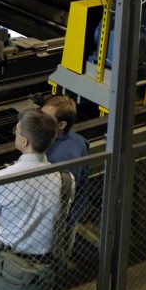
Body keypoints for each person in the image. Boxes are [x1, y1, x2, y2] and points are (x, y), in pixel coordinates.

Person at [0, 109, 74, 290]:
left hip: (7, 269)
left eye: (16, 130)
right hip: (48, 269)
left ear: (23, 141)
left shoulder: (2, 177)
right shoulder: (65, 179)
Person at [41, 95, 89, 239]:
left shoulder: (59, 157)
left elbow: (57, 199)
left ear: (61, 125)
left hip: (58, 226)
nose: (39, 121)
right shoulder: (78, 140)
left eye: (46, 118)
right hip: (69, 216)